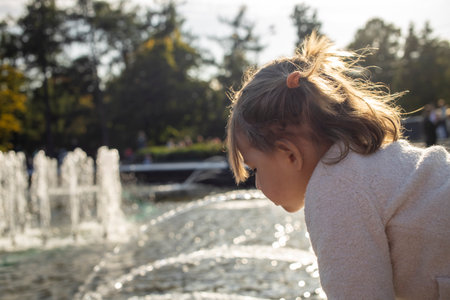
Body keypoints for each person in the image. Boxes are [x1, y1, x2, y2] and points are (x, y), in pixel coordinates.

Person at [226, 32, 450, 299]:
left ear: (289, 154)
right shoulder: (366, 158)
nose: (258, 184)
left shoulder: (334, 190)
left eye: (254, 169)